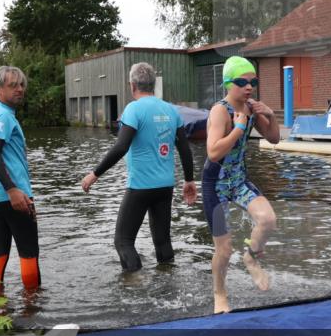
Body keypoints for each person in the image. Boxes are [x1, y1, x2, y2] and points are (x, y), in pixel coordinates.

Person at [80, 62, 197, 271]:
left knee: (123, 241)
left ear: (132, 85)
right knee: (162, 241)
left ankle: (135, 284)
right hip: (165, 186)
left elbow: (121, 147)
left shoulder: (133, 109)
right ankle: (168, 282)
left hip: (140, 187)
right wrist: (189, 180)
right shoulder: (171, 110)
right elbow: (185, 151)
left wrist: (94, 174)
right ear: (153, 85)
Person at [202, 56, 280, 314]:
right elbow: (213, 152)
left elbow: (274, 138)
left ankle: (251, 257)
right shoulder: (219, 111)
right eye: (241, 82)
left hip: (238, 180)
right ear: (228, 83)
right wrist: (237, 128)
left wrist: (269, 114)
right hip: (216, 184)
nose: (248, 87)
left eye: (253, 82)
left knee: (268, 220)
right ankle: (220, 294)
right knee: (224, 249)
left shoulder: (250, 107)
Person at [0, 65, 40, 291]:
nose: (20, 89)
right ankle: (33, 308)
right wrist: (13, 190)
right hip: (14, 196)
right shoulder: (3, 116)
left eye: (22, 84)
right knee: (29, 254)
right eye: (12, 85)